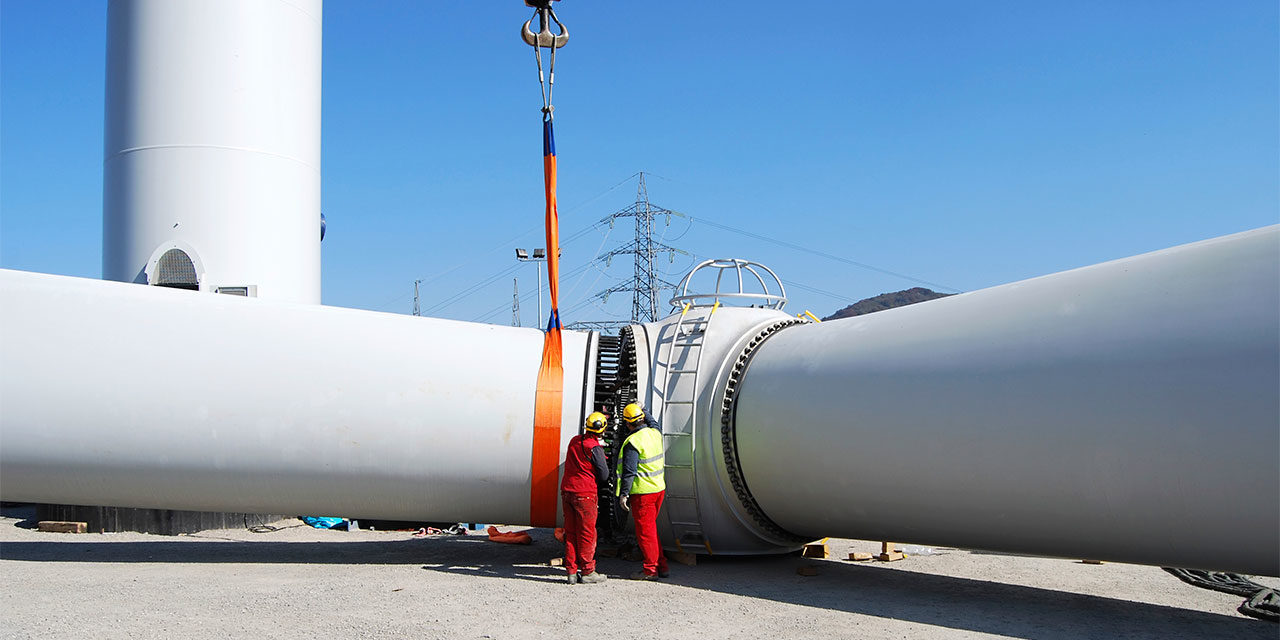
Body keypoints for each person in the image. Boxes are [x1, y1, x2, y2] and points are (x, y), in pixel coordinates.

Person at [616, 403, 669, 580]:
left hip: (643, 494)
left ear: (628, 424)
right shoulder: (655, 433)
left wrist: (624, 494)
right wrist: (643, 408)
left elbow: (629, 472)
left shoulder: (633, 442)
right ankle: (662, 565)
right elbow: (653, 422)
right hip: (658, 489)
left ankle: (650, 570)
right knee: (651, 530)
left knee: (645, 533)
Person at [560, 411, 610, 584]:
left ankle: (571, 572)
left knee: (571, 532)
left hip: (567, 492)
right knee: (587, 533)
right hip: (585, 494)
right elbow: (604, 475)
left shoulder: (574, 441)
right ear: (602, 430)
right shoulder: (595, 448)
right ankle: (588, 571)